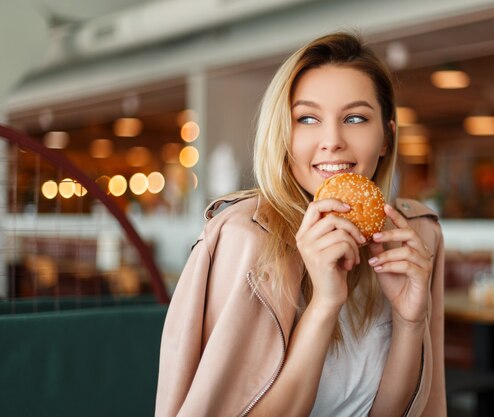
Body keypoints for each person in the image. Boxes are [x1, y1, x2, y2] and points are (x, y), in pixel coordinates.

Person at [155, 32, 445, 417]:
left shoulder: (415, 237)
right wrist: (325, 305)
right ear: (284, 136)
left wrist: (410, 322)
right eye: (307, 118)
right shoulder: (242, 241)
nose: (332, 140)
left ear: (386, 138)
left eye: (355, 118)